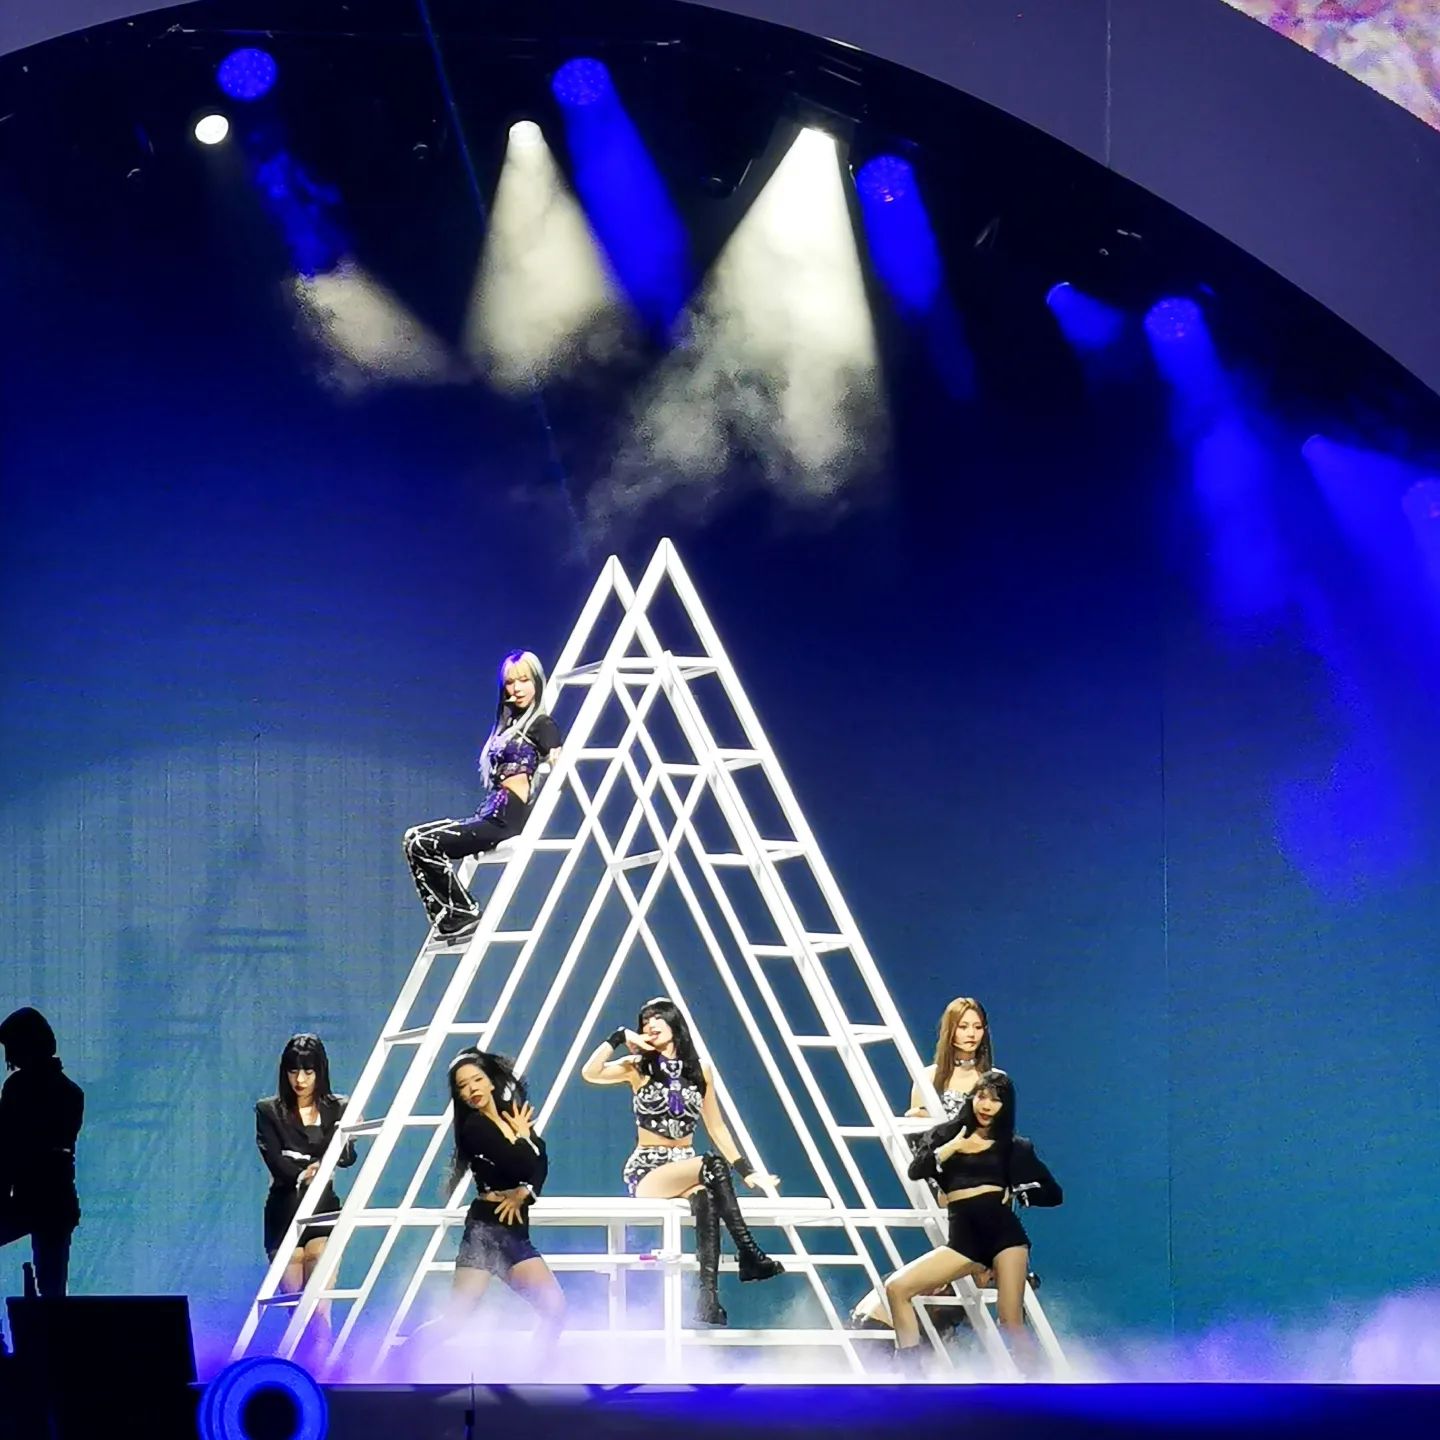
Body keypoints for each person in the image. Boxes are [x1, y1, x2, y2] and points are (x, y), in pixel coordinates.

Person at [581, 997, 783, 1326]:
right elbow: (590, 1073)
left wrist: (747, 1172)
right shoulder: (637, 1066)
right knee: (711, 1165)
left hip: (685, 1166)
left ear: (675, 1024)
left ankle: (708, 1299)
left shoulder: (700, 1070)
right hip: (648, 1169)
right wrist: (618, 1037)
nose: (650, 1025)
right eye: (644, 1021)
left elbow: (716, 1126)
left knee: (706, 1199)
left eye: (657, 1018)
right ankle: (749, 1252)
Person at [884, 1069, 1061, 1369]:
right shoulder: (944, 1135)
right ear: (972, 1099)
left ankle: (1035, 1382)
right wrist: (953, 1147)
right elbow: (917, 1170)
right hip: (964, 1242)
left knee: (1010, 1321)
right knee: (897, 1288)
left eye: (996, 1100)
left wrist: (1021, 1193)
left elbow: (1054, 1193)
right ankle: (911, 1376)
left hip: (1005, 1238)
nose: (987, 1105)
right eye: (981, 1096)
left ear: (1005, 1106)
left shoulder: (1015, 1147)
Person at [403, 650, 563, 940]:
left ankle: (462, 912)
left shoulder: (541, 724)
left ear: (537, 682)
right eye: (510, 683)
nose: (516, 689)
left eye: (524, 680)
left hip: (506, 817)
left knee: (423, 843)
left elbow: (557, 758)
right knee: (413, 838)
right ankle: (451, 915)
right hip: (491, 811)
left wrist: (553, 764)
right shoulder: (508, 726)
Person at [412, 1049, 564, 1349]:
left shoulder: (510, 1114)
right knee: (455, 1319)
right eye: (463, 1086)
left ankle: (537, 1371)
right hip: (486, 1230)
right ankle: (399, 1359)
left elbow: (541, 1160)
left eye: (477, 1080)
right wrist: (524, 1138)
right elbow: (519, 1164)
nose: (472, 1089)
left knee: (555, 1310)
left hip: (514, 1231)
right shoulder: (475, 1128)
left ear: (491, 1082)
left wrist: (526, 1192)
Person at [254, 1034, 356, 1333]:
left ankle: (326, 1361)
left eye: (308, 1072)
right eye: (293, 1071)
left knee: (319, 1307)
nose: (300, 1080)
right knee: (298, 1314)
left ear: (320, 1072)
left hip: (323, 1211)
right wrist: (307, 1170)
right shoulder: (268, 1110)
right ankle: (310, 1359)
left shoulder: (339, 1107)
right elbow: (275, 1160)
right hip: (283, 1213)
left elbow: (347, 1157)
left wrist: (349, 1134)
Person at [0, 1008, 84, 1296]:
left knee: (51, 1287)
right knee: (52, 1288)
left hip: (34, 1198)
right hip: (56, 1201)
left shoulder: (17, 1088)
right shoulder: (70, 1092)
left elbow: (8, 1150)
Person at [906, 996, 994, 1120]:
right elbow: (916, 1128)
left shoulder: (996, 1080)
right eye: (963, 1027)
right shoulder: (927, 1078)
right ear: (950, 1030)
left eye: (978, 1027)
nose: (971, 1034)